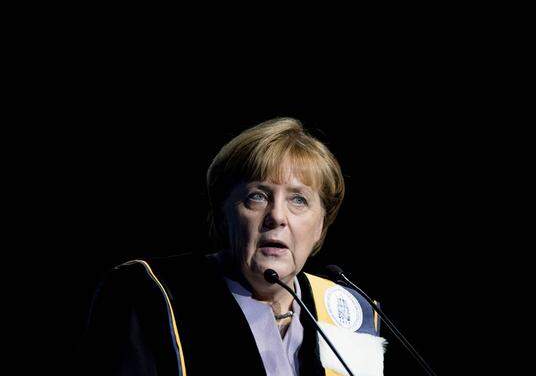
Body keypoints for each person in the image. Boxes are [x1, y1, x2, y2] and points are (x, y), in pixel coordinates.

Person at [78, 118, 386, 376]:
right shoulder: (150, 295)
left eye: (298, 200)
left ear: (320, 226)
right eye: (257, 196)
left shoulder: (348, 313)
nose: (277, 216)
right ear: (224, 215)